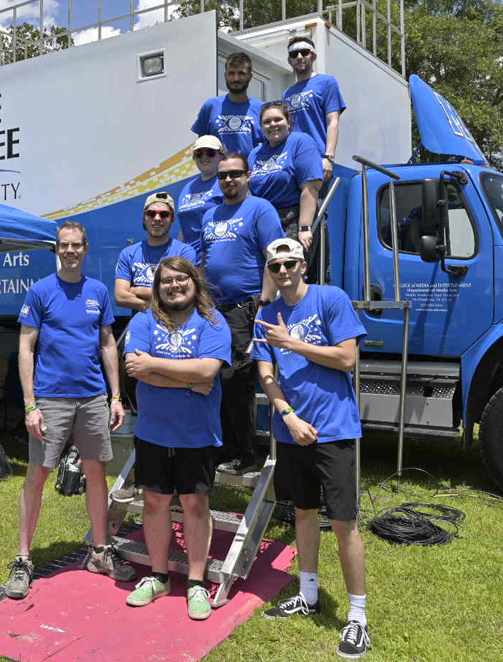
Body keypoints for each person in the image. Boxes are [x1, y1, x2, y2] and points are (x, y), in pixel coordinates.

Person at [251, 238, 371, 659]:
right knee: (303, 513)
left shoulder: (330, 298)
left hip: (334, 430)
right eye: (275, 266)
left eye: (289, 263)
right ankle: (308, 594)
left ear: (303, 265)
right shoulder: (265, 316)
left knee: (343, 522)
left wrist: (293, 344)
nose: (283, 271)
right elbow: (266, 375)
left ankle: (357, 618)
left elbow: (347, 359)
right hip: (291, 431)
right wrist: (288, 416)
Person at [5, 221, 137, 600]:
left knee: (96, 474)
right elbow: (26, 348)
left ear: (85, 248)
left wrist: (115, 396)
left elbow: (107, 344)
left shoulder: (98, 292)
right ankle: (23, 559)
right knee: (37, 475)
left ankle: (99, 552)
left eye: (76, 245)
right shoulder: (40, 291)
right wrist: (30, 404)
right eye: (64, 245)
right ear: (57, 249)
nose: (70, 251)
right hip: (51, 399)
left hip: (93, 397)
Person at [123, 256, 230, 621]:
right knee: (154, 503)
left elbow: (208, 370)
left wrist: (155, 364)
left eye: (181, 279)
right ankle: (158, 577)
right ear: (158, 287)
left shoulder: (212, 321)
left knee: (195, 505)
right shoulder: (143, 320)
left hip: (197, 433)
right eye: (166, 280)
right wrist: (188, 380)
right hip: (152, 432)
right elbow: (136, 369)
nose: (174, 285)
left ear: (194, 282)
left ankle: (197, 582)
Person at [199, 153, 284, 474]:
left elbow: (273, 258)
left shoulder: (261, 209)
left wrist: (264, 302)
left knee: (237, 382)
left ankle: (245, 455)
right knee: (213, 379)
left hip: (244, 308)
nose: (228, 180)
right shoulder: (210, 215)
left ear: (248, 176)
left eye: (235, 174)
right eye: (223, 176)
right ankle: (221, 450)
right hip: (212, 310)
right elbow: (204, 262)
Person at [249, 101, 324, 249]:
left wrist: (304, 227)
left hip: (293, 218)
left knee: (289, 263)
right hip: (263, 220)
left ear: (288, 122)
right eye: (267, 122)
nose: (272, 124)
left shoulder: (301, 142)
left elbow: (310, 187)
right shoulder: (254, 154)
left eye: (278, 119)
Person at [114, 192, 197, 312]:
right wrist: (155, 307)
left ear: (172, 218)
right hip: (142, 323)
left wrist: (139, 290)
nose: (157, 218)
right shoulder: (128, 253)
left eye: (164, 214)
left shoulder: (184, 252)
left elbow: (183, 294)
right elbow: (120, 296)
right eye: (151, 214)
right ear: (144, 217)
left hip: (176, 322)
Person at [283, 36, 346, 182]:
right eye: (294, 54)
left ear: (313, 55)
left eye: (304, 52)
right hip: (293, 161)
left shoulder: (327, 82)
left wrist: (328, 157)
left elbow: (333, 121)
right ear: (290, 60)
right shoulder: (286, 94)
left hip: (318, 159)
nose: (299, 57)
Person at [191, 51, 262, 159]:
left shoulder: (262, 109)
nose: (236, 79)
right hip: (218, 169)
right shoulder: (210, 106)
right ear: (225, 76)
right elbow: (202, 145)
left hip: (250, 169)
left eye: (241, 73)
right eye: (231, 73)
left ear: (250, 77)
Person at [177, 136, 225, 255]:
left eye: (210, 152)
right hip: (188, 259)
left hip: (213, 255)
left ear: (221, 155)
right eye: (199, 153)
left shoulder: (226, 182)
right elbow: (185, 228)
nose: (204, 157)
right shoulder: (188, 187)